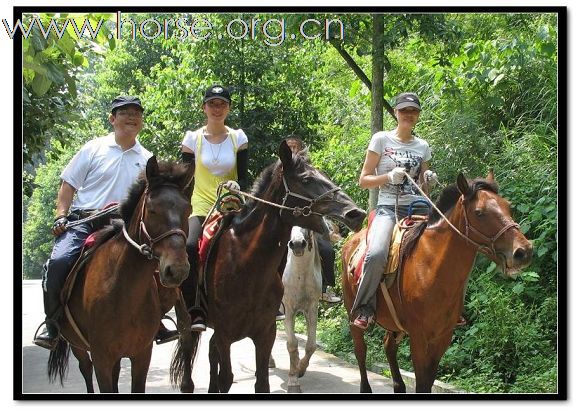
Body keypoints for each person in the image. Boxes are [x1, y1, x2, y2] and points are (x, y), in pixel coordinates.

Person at [33, 96, 155, 350]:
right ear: (112, 119)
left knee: (160, 264)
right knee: (58, 263)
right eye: (124, 112)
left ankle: (157, 321)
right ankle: (53, 323)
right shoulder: (92, 149)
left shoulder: (147, 158)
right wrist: (60, 215)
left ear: (141, 121)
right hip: (84, 221)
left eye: (136, 112)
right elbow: (68, 186)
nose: (131, 117)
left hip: (124, 228)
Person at [351, 92, 437, 330]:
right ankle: (365, 308)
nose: (408, 114)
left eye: (413, 111)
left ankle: (449, 307)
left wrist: (428, 178)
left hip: (419, 207)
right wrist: (388, 176)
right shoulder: (381, 139)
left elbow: (422, 183)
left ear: (418, 115)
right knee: (377, 253)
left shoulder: (423, 146)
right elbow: (364, 179)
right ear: (396, 113)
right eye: (404, 110)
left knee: (450, 243)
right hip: (388, 208)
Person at [179, 84, 249, 332]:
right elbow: (185, 180)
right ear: (204, 108)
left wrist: (237, 184)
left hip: (232, 205)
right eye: (212, 104)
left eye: (222, 104)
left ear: (228, 108)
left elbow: (245, 178)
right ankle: (194, 308)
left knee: (262, 240)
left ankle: (267, 302)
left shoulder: (238, 137)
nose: (217, 109)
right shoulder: (192, 139)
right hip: (200, 205)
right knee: (189, 246)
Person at [284, 135, 341, 304]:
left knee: (327, 250)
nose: (293, 150)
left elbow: (326, 195)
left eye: (295, 147)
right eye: (289, 148)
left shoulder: (312, 172)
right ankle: (272, 294)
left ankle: (325, 289)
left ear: (301, 149)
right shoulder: (280, 172)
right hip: (286, 219)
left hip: (311, 218)